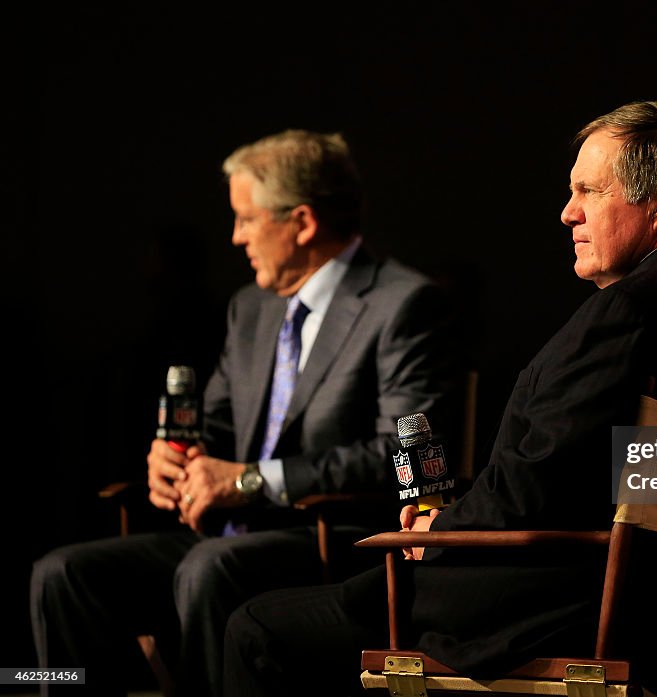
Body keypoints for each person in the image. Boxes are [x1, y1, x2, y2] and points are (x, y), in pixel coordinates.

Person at [222, 101, 657, 696]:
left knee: (256, 628)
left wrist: (435, 532)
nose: (568, 213)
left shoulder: (630, 312)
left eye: (589, 192)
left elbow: (532, 489)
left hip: (546, 609)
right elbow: (584, 478)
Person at [30, 129, 459, 697]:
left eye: (247, 219)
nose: (236, 237)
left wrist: (252, 479)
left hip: (335, 537)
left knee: (208, 568)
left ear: (302, 222)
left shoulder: (403, 304)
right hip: (231, 532)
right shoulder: (251, 307)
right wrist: (177, 461)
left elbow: (400, 454)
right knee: (62, 576)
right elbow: (216, 430)